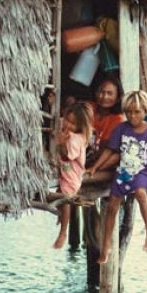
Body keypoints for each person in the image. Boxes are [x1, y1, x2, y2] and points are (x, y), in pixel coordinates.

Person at [86, 90, 147, 263]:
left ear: (146, 111)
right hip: (123, 172)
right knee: (112, 207)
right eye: (128, 112)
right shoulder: (121, 129)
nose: (132, 116)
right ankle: (106, 247)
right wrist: (95, 167)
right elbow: (110, 151)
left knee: (140, 192)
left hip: (141, 171)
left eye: (137, 112)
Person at [53, 102, 93, 249]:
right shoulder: (68, 131)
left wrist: (61, 143)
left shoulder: (75, 138)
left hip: (72, 174)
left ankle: (63, 232)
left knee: (66, 197)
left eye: (73, 123)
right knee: (60, 195)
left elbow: (67, 156)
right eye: (67, 120)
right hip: (66, 171)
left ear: (81, 127)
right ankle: (60, 216)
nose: (68, 125)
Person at [87, 77, 126, 167]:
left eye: (110, 93)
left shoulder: (118, 119)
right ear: (96, 93)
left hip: (99, 158)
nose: (104, 97)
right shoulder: (88, 107)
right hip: (79, 153)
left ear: (118, 98)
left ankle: (92, 171)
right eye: (102, 92)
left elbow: (105, 148)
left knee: (116, 156)